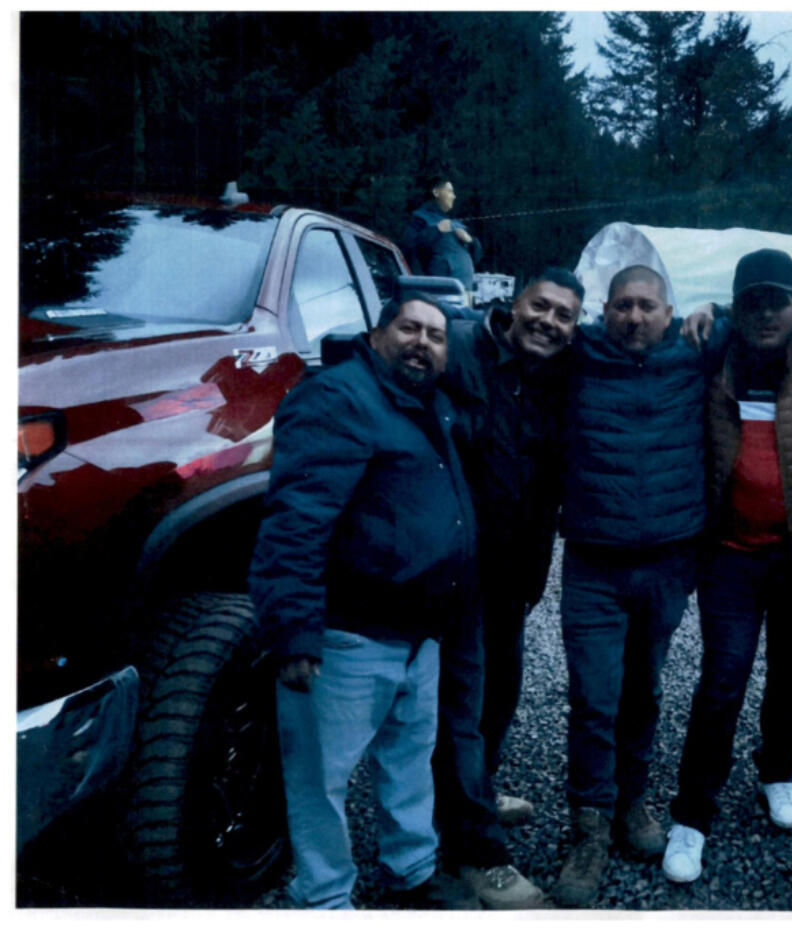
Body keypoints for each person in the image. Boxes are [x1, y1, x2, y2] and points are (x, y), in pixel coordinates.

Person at [248, 294, 478, 910]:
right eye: (409, 327)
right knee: (319, 781)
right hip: (347, 636)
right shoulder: (338, 399)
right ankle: (324, 899)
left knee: (408, 763)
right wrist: (294, 630)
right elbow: (296, 519)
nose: (422, 343)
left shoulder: (428, 404)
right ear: (377, 334)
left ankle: (412, 872)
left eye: (436, 335)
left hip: (417, 633)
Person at [662, 249, 792, 885]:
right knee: (722, 681)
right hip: (729, 558)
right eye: (751, 301)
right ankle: (692, 814)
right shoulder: (711, 353)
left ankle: (777, 774)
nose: (765, 314)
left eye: (777, 301)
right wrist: (702, 311)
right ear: (736, 307)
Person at [552, 265, 716, 907]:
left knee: (644, 691)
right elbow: (505, 334)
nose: (634, 317)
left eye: (647, 305)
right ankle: (588, 830)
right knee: (595, 698)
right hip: (594, 560)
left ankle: (633, 805)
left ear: (671, 311)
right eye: (622, 305)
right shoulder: (580, 350)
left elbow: (782, 309)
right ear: (604, 311)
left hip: (669, 561)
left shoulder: (696, 349)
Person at [430, 268, 584, 908]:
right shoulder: (459, 349)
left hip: (514, 574)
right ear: (512, 303)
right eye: (539, 306)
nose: (548, 322)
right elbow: (382, 353)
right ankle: (471, 852)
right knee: (462, 708)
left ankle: (475, 795)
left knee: (500, 696)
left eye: (564, 315)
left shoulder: (567, 369)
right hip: (457, 570)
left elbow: (647, 331)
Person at [404, 175, 483, 291]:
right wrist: (437, 230)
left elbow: (477, 257)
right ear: (436, 192)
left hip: (464, 292)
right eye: (450, 191)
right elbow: (409, 246)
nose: (454, 197)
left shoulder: (455, 223)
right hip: (440, 293)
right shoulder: (420, 218)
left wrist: (471, 241)